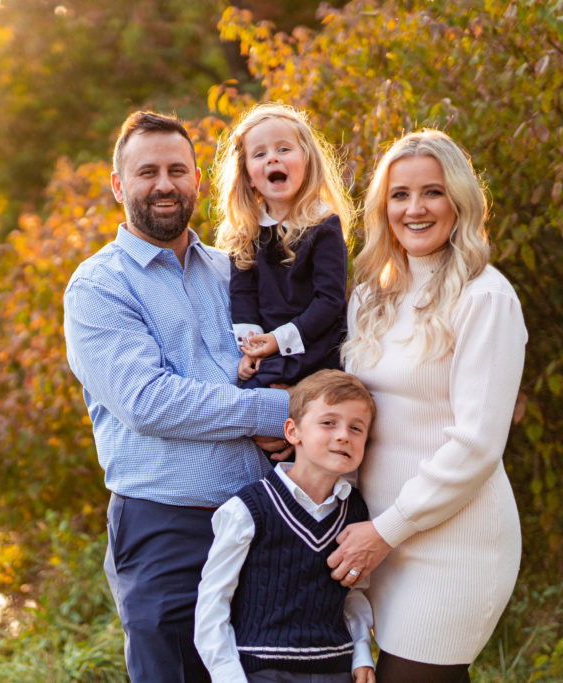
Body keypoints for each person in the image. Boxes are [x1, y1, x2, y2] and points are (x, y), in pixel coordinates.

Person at [63, 111, 291, 682]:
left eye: (177, 170)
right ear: (119, 185)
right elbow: (149, 400)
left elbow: (287, 357)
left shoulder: (232, 269)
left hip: (265, 521)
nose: (164, 184)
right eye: (147, 172)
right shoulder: (99, 286)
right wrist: (278, 411)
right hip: (168, 532)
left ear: (196, 180)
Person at [328, 129, 527, 682]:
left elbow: (477, 444)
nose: (414, 209)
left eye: (432, 193)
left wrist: (386, 530)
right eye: (399, 194)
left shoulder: (485, 297)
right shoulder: (371, 296)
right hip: (377, 544)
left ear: (459, 202)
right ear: (382, 206)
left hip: (452, 547)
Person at [195, 369, 377, 683]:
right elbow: (213, 600)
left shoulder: (356, 510)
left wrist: (361, 653)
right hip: (262, 670)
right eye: (328, 422)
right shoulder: (249, 509)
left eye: (356, 428)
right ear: (293, 432)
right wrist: (228, 676)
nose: (344, 435)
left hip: (334, 669)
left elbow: (354, 591)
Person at [213, 103, 354, 389]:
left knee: (314, 404)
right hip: (267, 350)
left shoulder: (323, 225)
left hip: (313, 346)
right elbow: (243, 294)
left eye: (283, 149)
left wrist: (279, 340)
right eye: (260, 154)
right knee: (247, 390)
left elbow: (330, 301)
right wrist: (251, 347)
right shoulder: (247, 232)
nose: (272, 159)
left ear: (307, 159)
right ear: (247, 173)